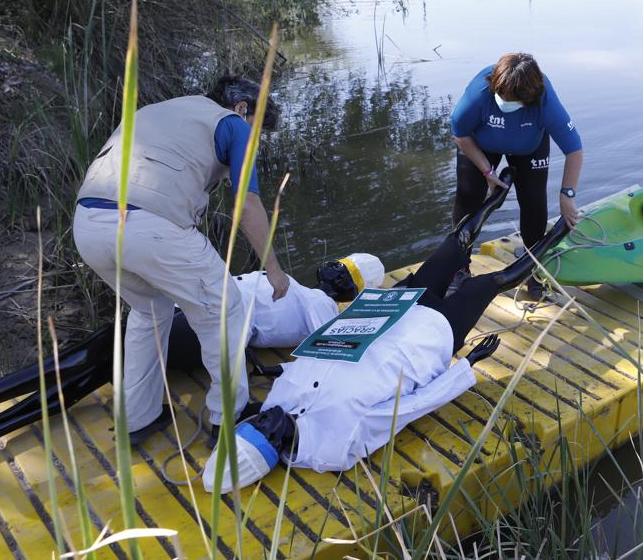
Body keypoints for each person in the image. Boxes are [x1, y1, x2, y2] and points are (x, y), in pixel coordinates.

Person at [203, 170, 572, 491]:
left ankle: (495, 198)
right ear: (272, 446)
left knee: (452, 246)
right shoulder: (335, 446)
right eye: (264, 427)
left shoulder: (275, 406)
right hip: (426, 340)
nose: (266, 414)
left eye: (256, 420)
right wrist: (465, 367)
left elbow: (312, 359)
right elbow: (409, 409)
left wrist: (274, 370)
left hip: (388, 314)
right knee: (496, 280)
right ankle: (559, 232)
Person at [0, 258, 384, 468]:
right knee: (88, 366)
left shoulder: (319, 309)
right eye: (336, 264)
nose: (330, 270)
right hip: (186, 315)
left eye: (342, 272)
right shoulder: (298, 288)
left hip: (197, 331)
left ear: (347, 288)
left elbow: (321, 352)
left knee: (88, 358)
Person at [71, 74, 292, 444]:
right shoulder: (234, 124)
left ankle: (137, 419)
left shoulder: (161, 111)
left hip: (87, 225)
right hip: (146, 226)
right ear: (241, 108)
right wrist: (274, 269)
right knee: (223, 307)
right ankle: (231, 417)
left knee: (148, 311)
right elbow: (246, 204)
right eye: (258, 130)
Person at [450, 53, 583, 254]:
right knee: (467, 200)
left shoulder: (544, 100)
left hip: (529, 147)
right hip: (480, 145)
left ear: (527, 101)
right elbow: (460, 133)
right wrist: (487, 172)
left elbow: (574, 150)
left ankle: (533, 268)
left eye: (511, 101)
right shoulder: (479, 91)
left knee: (534, 201)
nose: (505, 103)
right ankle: (458, 267)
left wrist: (567, 194)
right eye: (502, 97)